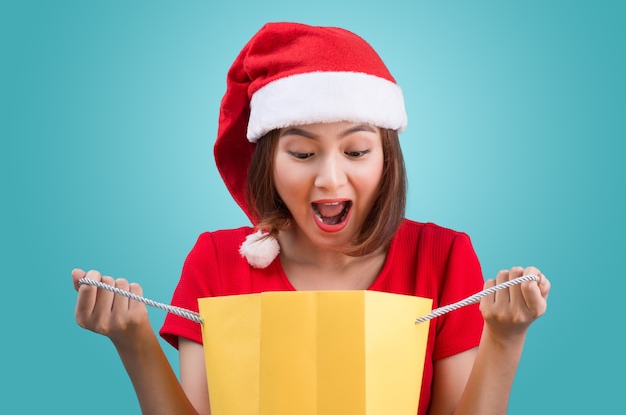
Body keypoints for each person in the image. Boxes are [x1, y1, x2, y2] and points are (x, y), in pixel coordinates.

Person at [71, 22, 551, 415]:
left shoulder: (442, 256)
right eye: (302, 153)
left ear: (387, 158)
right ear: (268, 162)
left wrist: (505, 339)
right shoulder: (216, 260)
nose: (329, 179)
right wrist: (133, 340)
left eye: (356, 150)